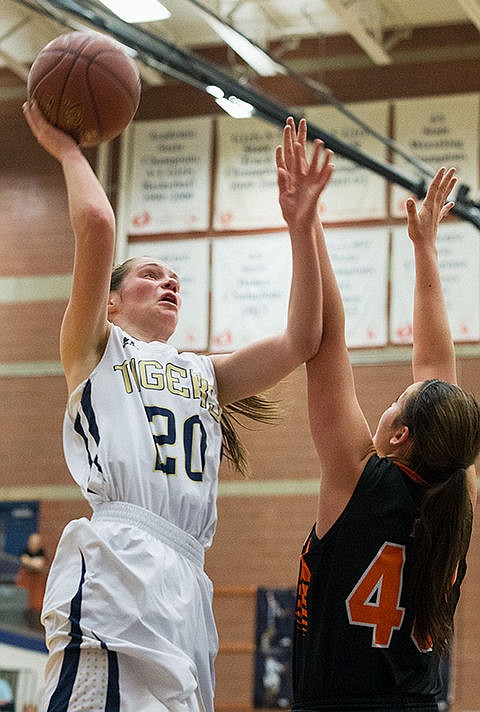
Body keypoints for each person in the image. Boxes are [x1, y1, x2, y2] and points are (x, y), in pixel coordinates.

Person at [23, 102, 334, 712]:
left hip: (189, 577)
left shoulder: (203, 373)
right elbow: (96, 224)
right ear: (109, 302)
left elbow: (303, 340)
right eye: (151, 274)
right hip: (121, 558)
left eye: (175, 279)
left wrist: (303, 225)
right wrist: (66, 148)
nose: (170, 282)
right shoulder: (96, 348)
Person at [290, 118, 480, 712]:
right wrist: (425, 248)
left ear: (399, 434)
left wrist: (307, 222)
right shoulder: (456, 489)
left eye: (396, 400)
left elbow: (327, 339)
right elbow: (434, 369)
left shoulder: (357, 477)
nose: (392, 399)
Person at [16, 532, 48, 629]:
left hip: (37, 592)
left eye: (36, 543)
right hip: (24, 591)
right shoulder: (25, 551)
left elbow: (39, 565)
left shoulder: (42, 552)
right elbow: (24, 561)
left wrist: (29, 562)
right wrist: (32, 563)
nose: (34, 545)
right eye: (32, 542)